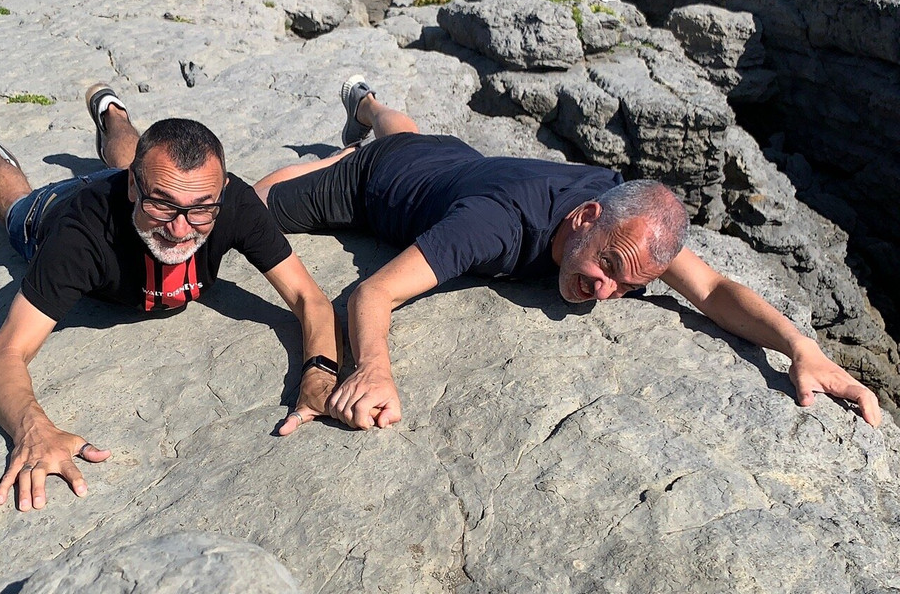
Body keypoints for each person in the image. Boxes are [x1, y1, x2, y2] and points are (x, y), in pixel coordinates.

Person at [254, 75, 882, 433]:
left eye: (627, 286)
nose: (604, 291)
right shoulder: (495, 227)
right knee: (262, 200)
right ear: (584, 220)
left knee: (410, 131)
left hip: (457, 162)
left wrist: (802, 348)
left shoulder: (623, 218)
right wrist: (374, 370)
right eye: (605, 268)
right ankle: (342, 148)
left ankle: (365, 101)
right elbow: (371, 293)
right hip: (377, 183)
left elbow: (714, 291)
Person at [0, 84, 341, 511]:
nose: (180, 230)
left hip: (136, 177)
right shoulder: (79, 237)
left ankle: (112, 114)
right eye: (164, 206)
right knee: (15, 206)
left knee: (134, 160)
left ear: (221, 190)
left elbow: (309, 298)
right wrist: (32, 430)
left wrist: (320, 373)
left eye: (200, 210)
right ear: (133, 190)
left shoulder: (232, 202)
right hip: (54, 209)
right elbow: (4, 353)